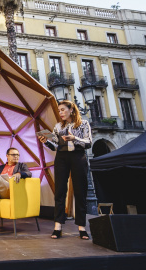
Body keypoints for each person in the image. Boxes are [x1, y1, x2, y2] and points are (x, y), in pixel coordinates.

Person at [38, 100, 92, 240]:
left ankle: (81, 227)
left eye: (63, 109)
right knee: (60, 191)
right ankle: (57, 227)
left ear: (71, 110)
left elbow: (89, 142)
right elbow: (55, 145)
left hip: (78, 157)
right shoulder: (57, 126)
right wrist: (46, 141)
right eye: (59, 110)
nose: (60, 112)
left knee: (81, 191)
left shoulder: (84, 124)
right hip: (61, 158)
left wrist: (74, 138)